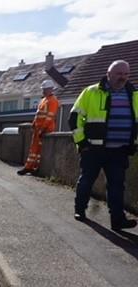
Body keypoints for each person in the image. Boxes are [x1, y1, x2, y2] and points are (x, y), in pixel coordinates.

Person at [69, 60, 138, 231]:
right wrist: (82, 142)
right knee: (86, 181)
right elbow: (74, 118)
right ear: (108, 74)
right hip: (93, 148)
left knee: (116, 185)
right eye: (118, 73)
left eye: (125, 74)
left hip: (119, 150)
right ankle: (80, 210)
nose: (122, 77)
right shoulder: (91, 92)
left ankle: (117, 221)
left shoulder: (134, 94)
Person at [17, 79, 60, 175]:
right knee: (33, 149)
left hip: (45, 129)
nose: (43, 91)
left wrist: (43, 129)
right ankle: (29, 167)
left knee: (40, 150)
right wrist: (34, 123)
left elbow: (50, 117)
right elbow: (38, 114)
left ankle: (36, 168)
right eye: (43, 89)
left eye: (44, 89)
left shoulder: (53, 101)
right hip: (38, 128)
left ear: (50, 89)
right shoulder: (44, 100)